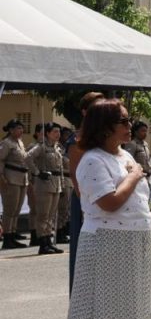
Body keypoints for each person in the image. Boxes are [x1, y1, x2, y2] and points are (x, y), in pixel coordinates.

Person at [58, 98, 151, 319]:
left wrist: (134, 174)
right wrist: (134, 176)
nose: (130, 126)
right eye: (124, 121)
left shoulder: (124, 155)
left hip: (131, 241)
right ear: (105, 126)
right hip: (104, 242)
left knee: (129, 316)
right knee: (99, 317)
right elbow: (109, 202)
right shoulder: (92, 159)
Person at [67, 92, 105, 289]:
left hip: (106, 199)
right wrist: (85, 207)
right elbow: (75, 177)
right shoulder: (77, 140)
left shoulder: (104, 138)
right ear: (84, 111)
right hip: (86, 202)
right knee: (84, 251)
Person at [26, 122, 65, 255]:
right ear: (47, 133)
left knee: (51, 215)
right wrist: (37, 172)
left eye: (59, 132)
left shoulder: (57, 148)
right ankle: (43, 243)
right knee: (43, 215)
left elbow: (59, 169)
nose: (58, 134)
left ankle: (49, 242)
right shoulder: (41, 147)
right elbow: (27, 158)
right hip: (44, 183)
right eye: (55, 131)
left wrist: (62, 185)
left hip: (55, 183)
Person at [1, 119, 30, 250]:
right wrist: (2, 178)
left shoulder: (19, 142)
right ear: (11, 130)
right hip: (10, 178)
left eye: (21, 128)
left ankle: (12, 234)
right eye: (18, 128)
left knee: (17, 209)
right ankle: (7, 237)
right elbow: (0, 161)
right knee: (9, 210)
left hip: (22, 178)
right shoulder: (6, 143)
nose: (21, 131)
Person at [123, 122, 151, 194]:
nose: (145, 133)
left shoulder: (145, 144)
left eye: (146, 131)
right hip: (137, 179)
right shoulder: (132, 144)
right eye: (142, 131)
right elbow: (127, 162)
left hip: (147, 178)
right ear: (136, 132)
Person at [56, 127, 74, 244]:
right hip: (63, 179)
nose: (67, 137)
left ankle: (63, 231)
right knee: (62, 208)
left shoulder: (67, 148)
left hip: (71, 179)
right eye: (65, 134)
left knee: (67, 209)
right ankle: (59, 232)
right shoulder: (57, 148)